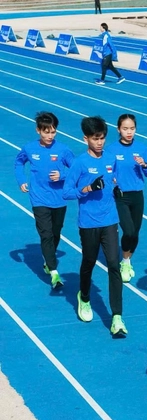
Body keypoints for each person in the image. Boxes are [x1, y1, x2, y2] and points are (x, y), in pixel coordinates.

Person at [62, 116, 126, 336]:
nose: (100, 142)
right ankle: (85, 297)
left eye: (102, 138)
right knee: (89, 261)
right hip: (88, 222)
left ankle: (117, 316)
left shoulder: (110, 158)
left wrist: (116, 187)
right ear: (85, 138)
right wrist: (87, 189)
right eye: (95, 138)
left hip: (110, 220)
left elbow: (114, 178)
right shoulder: (80, 163)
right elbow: (67, 192)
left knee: (113, 264)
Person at [14, 111, 74, 290]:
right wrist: (21, 180)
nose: (50, 136)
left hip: (59, 199)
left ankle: (49, 260)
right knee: (46, 234)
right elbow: (19, 162)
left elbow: (78, 168)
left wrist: (62, 175)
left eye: (53, 132)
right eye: (46, 132)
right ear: (38, 130)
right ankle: (54, 272)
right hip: (39, 198)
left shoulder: (63, 150)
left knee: (55, 233)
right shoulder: (29, 148)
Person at [105, 114, 147, 283]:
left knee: (135, 232)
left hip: (137, 195)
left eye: (132, 129)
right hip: (120, 196)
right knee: (129, 230)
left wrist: (144, 165)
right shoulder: (112, 150)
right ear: (118, 129)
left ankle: (126, 259)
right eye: (125, 128)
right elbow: (105, 170)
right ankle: (124, 262)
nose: (129, 132)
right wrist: (111, 179)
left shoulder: (141, 148)